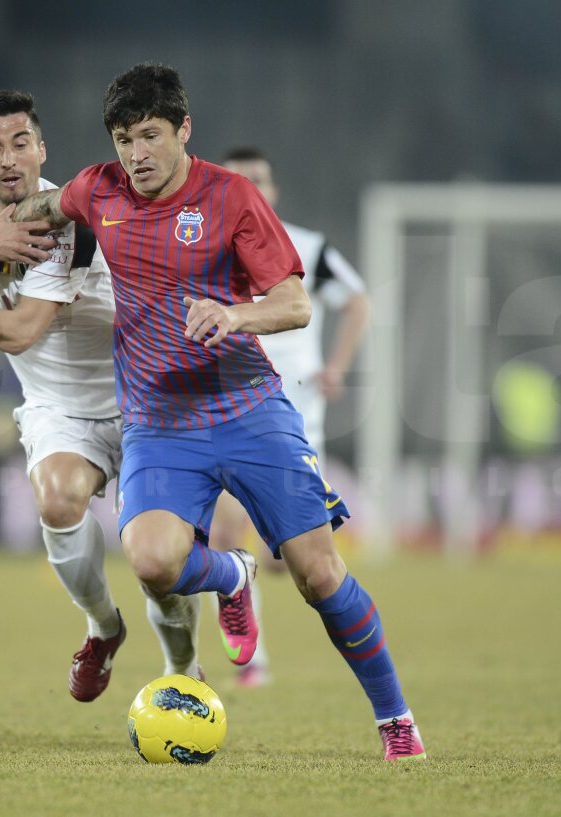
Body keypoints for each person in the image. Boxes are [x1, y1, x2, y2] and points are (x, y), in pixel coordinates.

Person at [7, 64, 426, 760]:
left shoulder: (230, 198)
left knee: (320, 574)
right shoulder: (97, 189)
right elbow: (41, 211)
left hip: (249, 409)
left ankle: (395, 718)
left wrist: (233, 316)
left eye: (150, 136)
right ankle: (231, 574)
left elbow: (293, 302)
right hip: (158, 422)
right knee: (150, 560)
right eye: (123, 138)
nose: (136, 154)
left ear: (183, 131)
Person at [0, 90, 206, 702]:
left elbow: (19, 331)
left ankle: (183, 672)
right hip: (60, 410)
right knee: (57, 500)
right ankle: (103, 628)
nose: (8, 159)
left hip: (142, 402)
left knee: (159, 564)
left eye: (20, 143)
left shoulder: (73, 216)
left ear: (41, 150)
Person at [208, 146, 372, 688]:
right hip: (232, 404)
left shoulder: (307, 246)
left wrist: (337, 366)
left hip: (295, 411)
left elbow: (357, 301)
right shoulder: (205, 246)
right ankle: (251, 661)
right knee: (226, 526)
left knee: (292, 559)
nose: (250, 186)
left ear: (273, 189)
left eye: (258, 178)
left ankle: (254, 569)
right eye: (238, 179)